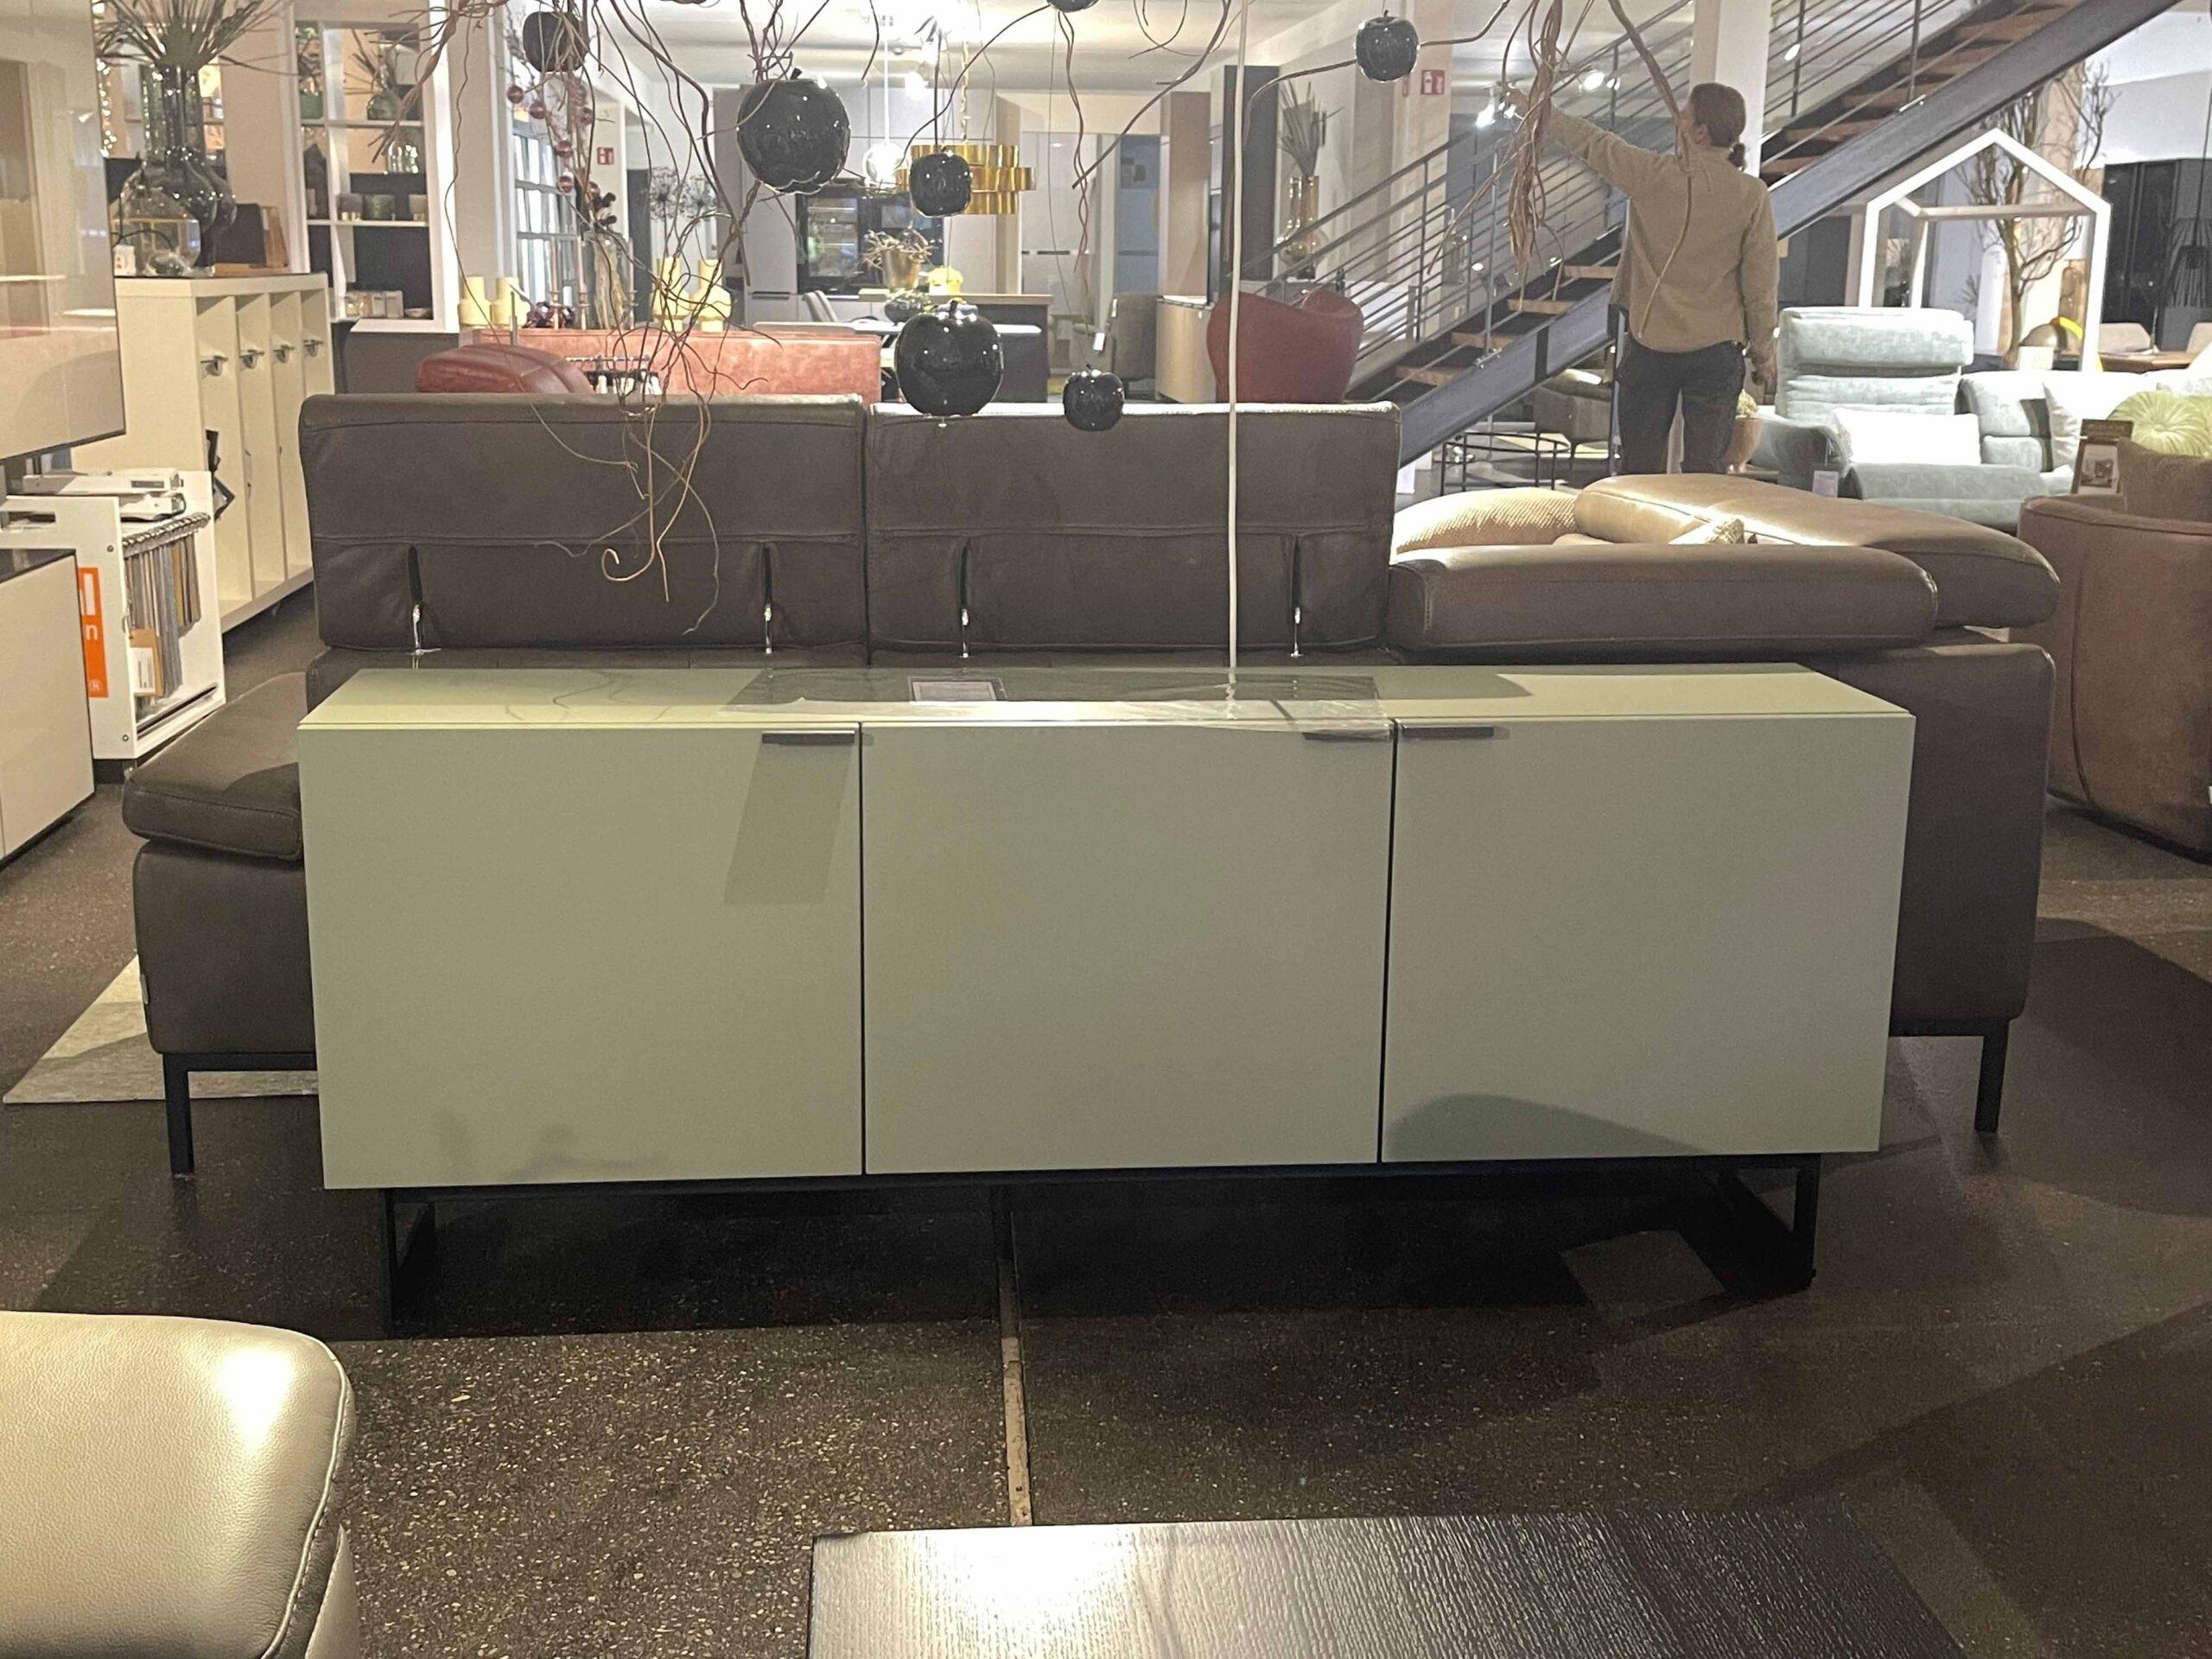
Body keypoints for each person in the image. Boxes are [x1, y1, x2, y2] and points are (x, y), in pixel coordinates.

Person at [1503, 80, 1779, 475]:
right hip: (1717, 352)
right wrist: (1764, 354)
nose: (1678, 118)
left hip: (1651, 346)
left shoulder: (1652, 176)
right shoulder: (1751, 195)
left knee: (1640, 468)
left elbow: (1592, 142)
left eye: (1684, 113)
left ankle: (1640, 517)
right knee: (1706, 472)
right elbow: (1760, 285)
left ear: (1699, 132)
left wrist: (1535, 109)